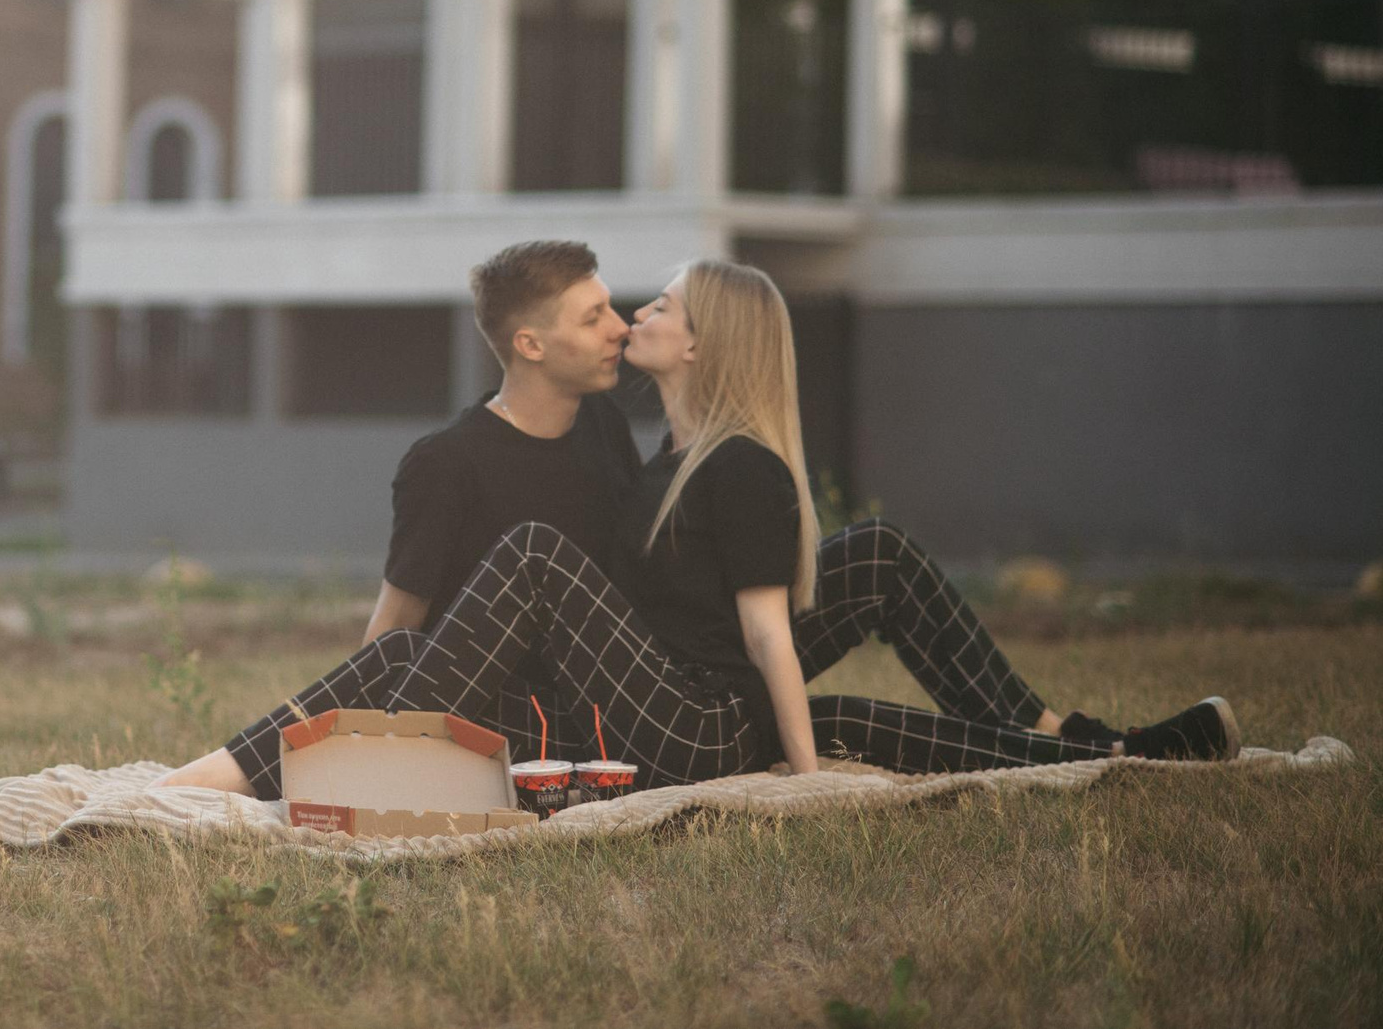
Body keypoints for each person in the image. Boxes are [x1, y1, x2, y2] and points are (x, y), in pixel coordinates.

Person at [162, 251, 1239, 796]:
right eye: (606, 313)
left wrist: (801, 771)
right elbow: (396, 626)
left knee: (871, 571)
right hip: (638, 693)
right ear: (531, 345)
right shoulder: (527, 456)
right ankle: (1111, 758)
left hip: (686, 693)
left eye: (649, 309)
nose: (630, 318)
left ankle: (1075, 742)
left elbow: (761, 625)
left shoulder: (676, 452)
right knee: (841, 702)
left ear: (700, 345)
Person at [157, 239, 640, 796]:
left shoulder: (605, 427)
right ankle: (213, 784)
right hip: (482, 718)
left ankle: (219, 779)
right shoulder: (448, 464)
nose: (620, 327)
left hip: (597, 721)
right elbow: (392, 629)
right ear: (530, 344)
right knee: (400, 654)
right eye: (593, 317)